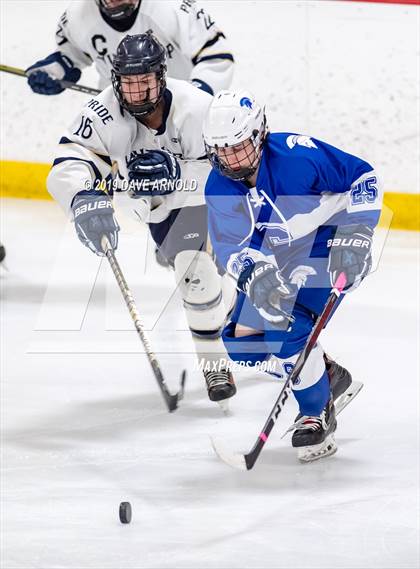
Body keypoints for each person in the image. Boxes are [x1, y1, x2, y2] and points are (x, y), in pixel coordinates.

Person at [47, 32, 237, 405]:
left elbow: (228, 172)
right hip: (156, 209)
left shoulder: (198, 108)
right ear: (116, 80)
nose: (135, 93)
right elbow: (70, 161)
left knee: (193, 271)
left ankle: (213, 361)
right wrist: (84, 197)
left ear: (161, 77)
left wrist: (178, 171)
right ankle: (233, 305)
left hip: (204, 201)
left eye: (144, 82)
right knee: (199, 279)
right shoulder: (102, 112)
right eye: (127, 84)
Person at [202, 90, 383, 462]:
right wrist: (256, 276)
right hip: (279, 258)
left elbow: (364, 177)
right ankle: (326, 374)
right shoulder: (218, 187)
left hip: (329, 247)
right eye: (221, 150)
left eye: (238, 147)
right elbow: (230, 249)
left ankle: (317, 411)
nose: (230, 159)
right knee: (242, 343)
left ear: (259, 134)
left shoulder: (297, 156)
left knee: (285, 329)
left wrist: (358, 233)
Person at [25, 0, 234, 96]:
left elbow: (215, 55)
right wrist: (51, 73)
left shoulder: (172, 7)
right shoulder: (77, 16)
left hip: (181, 113)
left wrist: (195, 95)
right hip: (119, 114)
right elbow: (70, 56)